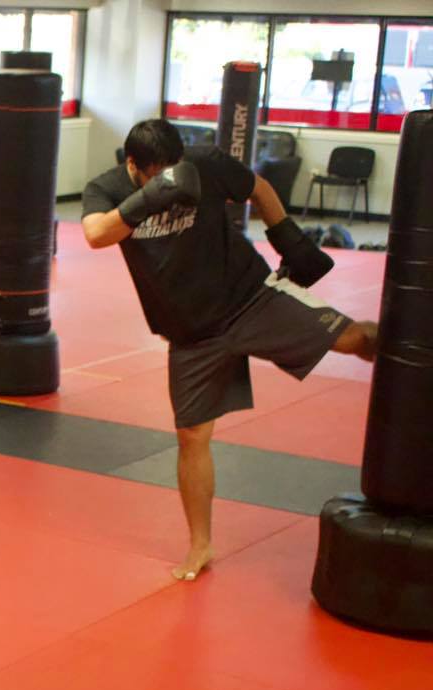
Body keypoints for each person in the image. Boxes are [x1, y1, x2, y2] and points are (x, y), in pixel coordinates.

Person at [81, 118, 378, 581]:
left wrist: (287, 236)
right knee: (192, 437)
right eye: (156, 174)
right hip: (192, 335)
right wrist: (149, 198)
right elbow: (96, 234)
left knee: (354, 339)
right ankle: (200, 545)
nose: (170, 179)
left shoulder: (206, 164)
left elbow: (258, 188)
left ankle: (418, 359)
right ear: (133, 165)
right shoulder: (108, 188)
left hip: (251, 300)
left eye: (173, 170)